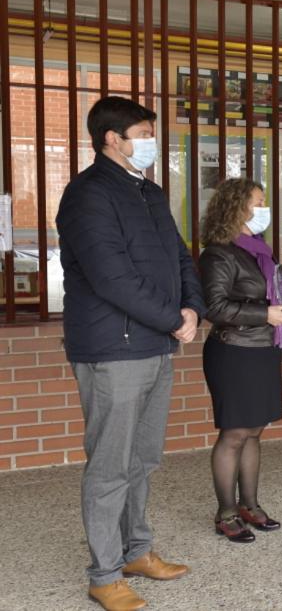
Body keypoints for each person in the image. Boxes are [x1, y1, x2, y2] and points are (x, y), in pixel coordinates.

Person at [56, 96, 206, 611]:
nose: (150, 143)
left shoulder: (149, 191)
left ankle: (136, 551)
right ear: (111, 140)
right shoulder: (88, 195)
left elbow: (181, 257)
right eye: (142, 134)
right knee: (109, 466)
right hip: (113, 349)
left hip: (155, 344)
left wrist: (193, 308)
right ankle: (103, 574)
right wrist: (173, 319)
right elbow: (111, 277)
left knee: (142, 459)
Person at [199, 178, 282, 542]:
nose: (263, 209)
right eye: (257, 202)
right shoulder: (218, 253)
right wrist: (266, 315)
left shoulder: (259, 249)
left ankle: (250, 505)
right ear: (237, 207)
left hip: (263, 350)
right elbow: (214, 307)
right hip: (234, 352)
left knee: (255, 430)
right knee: (234, 434)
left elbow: (267, 295)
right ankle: (226, 513)